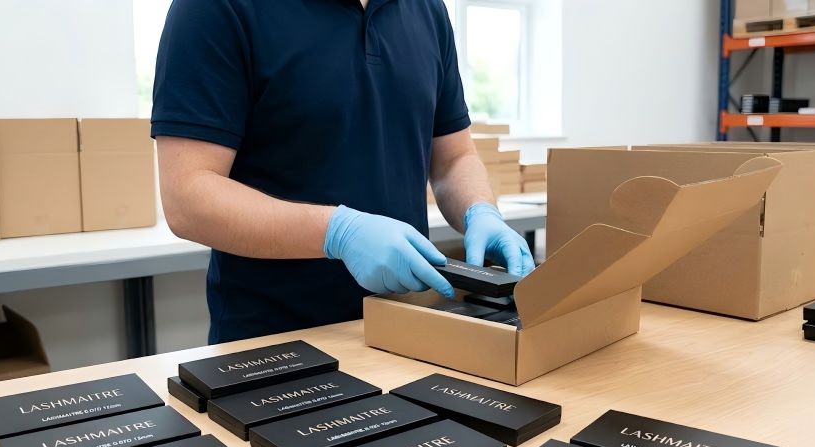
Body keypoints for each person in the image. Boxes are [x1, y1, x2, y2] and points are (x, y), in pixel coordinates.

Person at [152, 0, 535, 344]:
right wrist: (338, 232)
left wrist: (480, 211)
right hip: (275, 343)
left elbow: (453, 158)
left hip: (405, 328)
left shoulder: (428, 11)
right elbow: (189, 196)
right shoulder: (215, 8)